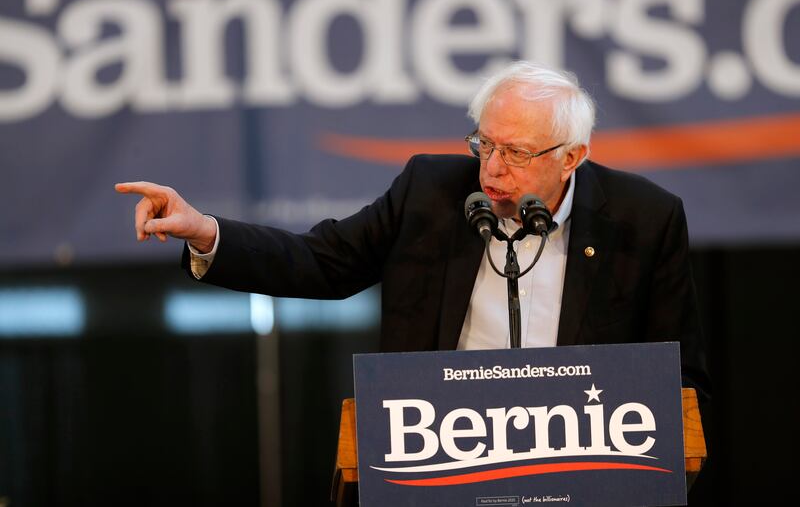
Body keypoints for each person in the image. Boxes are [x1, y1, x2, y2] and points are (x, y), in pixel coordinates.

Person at [116, 61, 710, 396]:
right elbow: (322, 261)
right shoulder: (432, 191)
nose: (492, 169)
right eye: (485, 144)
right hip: (437, 462)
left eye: (518, 153)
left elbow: (681, 378)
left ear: (572, 157)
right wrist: (204, 231)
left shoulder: (643, 219)